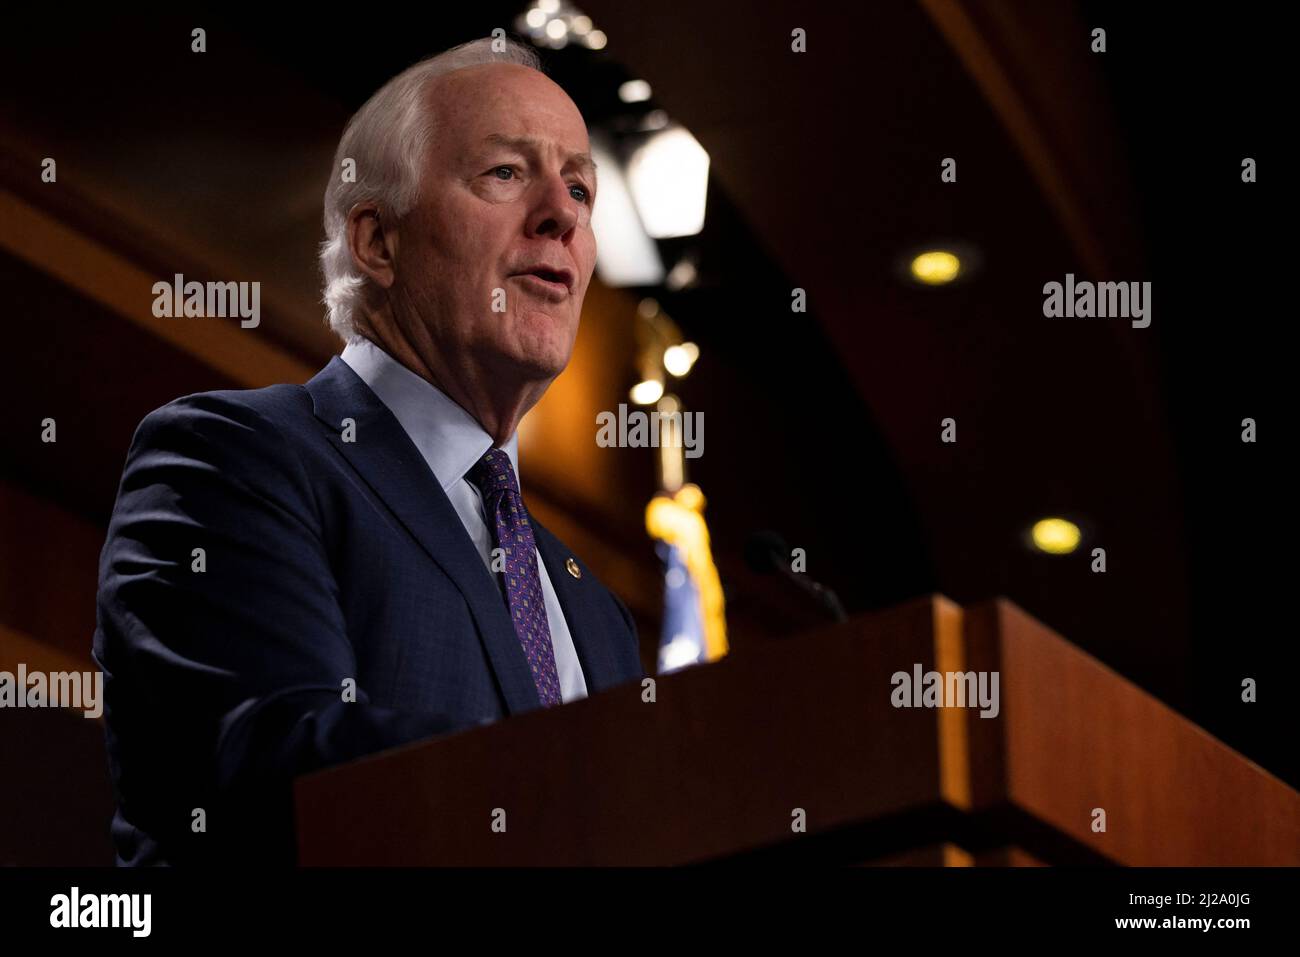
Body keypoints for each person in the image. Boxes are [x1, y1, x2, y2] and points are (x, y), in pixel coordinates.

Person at [92, 38, 643, 866]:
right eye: (504, 172)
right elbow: (283, 764)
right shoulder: (231, 459)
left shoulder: (595, 613)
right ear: (377, 241)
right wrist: (587, 786)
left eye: (578, 186)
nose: (563, 214)